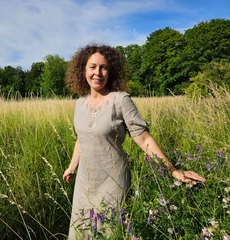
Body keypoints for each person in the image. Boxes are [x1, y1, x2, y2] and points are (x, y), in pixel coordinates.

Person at [62, 44, 205, 239]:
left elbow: (144, 139)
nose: (98, 73)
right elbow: (81, 139)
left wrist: (173, 170)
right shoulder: (79, 103)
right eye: (92, 67)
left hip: (113, 181)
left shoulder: (120, 101)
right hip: (84, 183)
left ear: (110, 71)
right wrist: (72, 167)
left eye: (103, 67)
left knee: (110, 232)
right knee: (82, 231)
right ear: (83, 70)